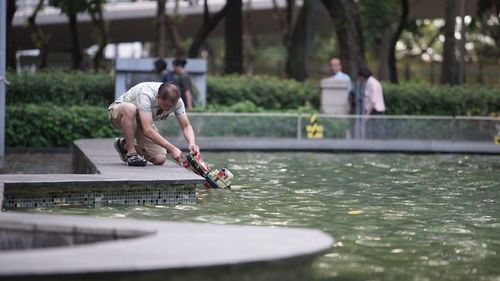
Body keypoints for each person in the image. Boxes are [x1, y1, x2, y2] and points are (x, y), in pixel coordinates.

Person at [108, 82, 200, 166]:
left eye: (171, 107)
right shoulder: (146, 94)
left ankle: (123, 145)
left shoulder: (178, 102)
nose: (167, 109)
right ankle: (131, 153)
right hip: (118, 114)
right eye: (165, 105)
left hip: (141, 119)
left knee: (160, 158)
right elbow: (148, 130)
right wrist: (172, 149)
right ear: (158, 97)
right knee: (130, 108)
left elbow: (186, 126)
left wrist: (192, 143)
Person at [358, 67, 387, 138]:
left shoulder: (372, 83)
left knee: (377, 126)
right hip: (372, 109)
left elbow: (374, 100)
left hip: (374, 109)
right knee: (374, 127)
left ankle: (382, 141)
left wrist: (368, 113)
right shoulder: (369, 82)